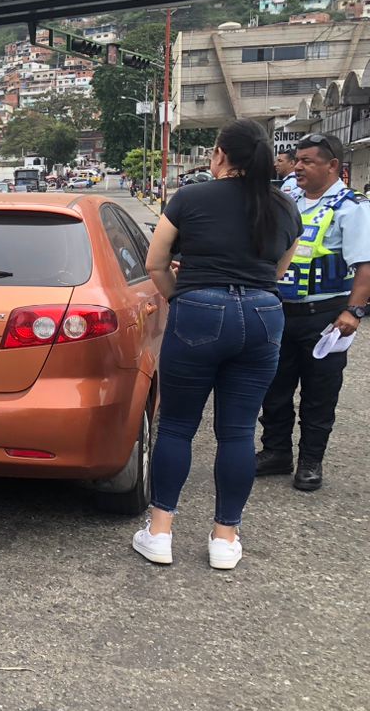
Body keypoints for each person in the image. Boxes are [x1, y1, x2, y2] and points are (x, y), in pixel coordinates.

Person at [132, 119, 301, 571]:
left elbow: (156, 262)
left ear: (221, 155)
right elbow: (278, 273)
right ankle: (225, 538)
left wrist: (181, 296)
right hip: (264, 316)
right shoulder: (285, 207)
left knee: (177, 426)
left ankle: (160, 532)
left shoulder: (190, 198)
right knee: (238, 432)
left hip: (200, 309)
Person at [257, 135, 370, 491]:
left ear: (332, 166)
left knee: (319, 393)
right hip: (280, 311)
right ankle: (276, 452)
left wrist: (354, 311)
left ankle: (310, 461)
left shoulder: (351, 208)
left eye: (307, 161)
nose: (299, 166)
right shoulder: (288, 200)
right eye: (298, 161)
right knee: (274, 387)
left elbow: (365, 268)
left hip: (325, 316)